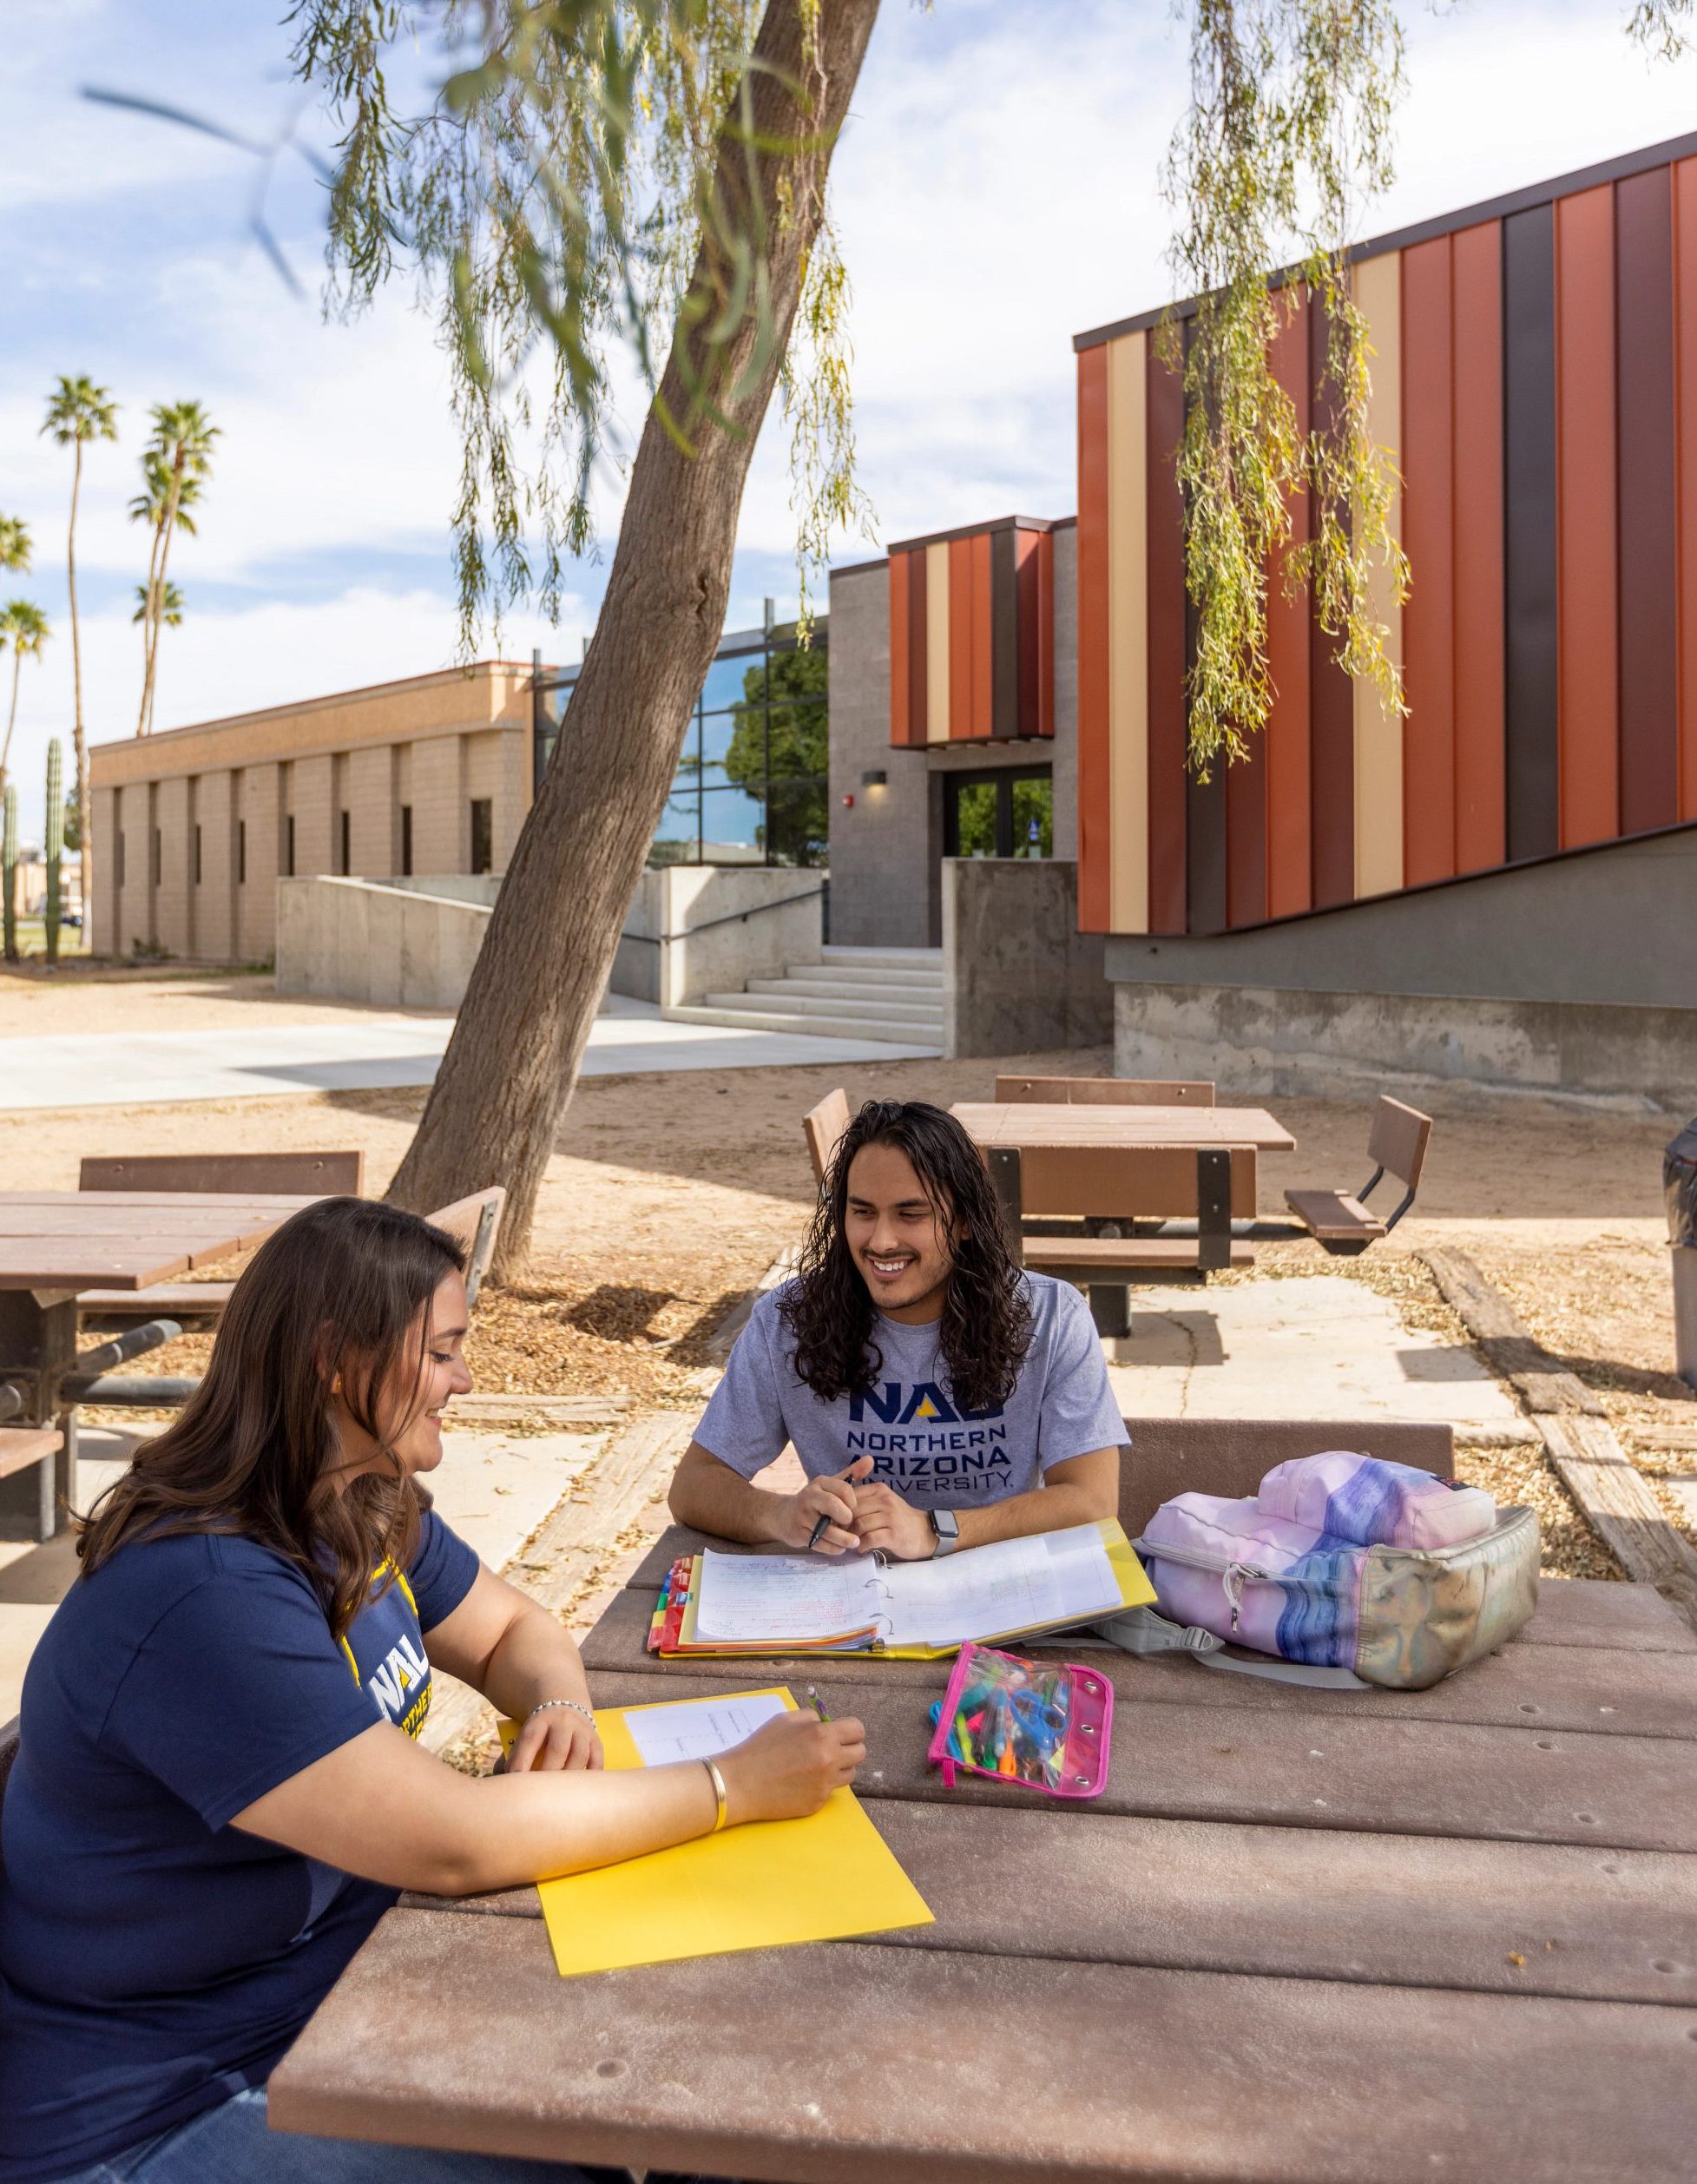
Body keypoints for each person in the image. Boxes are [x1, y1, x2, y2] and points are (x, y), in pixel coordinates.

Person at [0, 1197, 862, 2184]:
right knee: (627, 2145)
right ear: (336, 1361)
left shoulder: (354, 1497)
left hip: (339, 1997)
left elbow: (511, 1628)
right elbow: (453, 1841)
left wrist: (558, 1705)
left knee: (703, 2096)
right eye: (443, 1350)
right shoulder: (205, 1595)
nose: (463, 1378)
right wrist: (727, 1785)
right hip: (162, 2108)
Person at [669, 1099, 1125, 1561]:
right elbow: (693, 1486)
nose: (881, 1241)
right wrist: (780, 1515)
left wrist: (934, 1530)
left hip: (1004, 1590)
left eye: (912, 1214)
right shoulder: (786, 1322)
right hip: (852, 1601)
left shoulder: (1051, 1315)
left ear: (965, 1221)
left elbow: (1092, 1500)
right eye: (863, 1212)